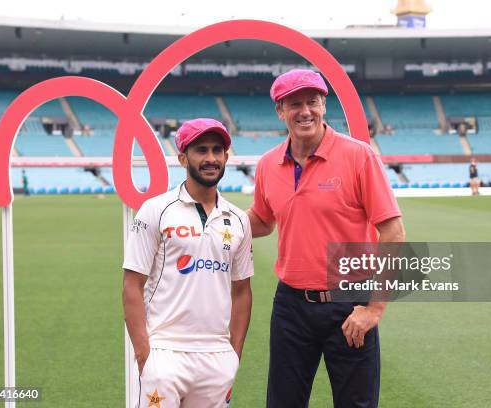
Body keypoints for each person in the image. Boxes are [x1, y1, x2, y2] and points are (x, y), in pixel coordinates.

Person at [247, 69, 405, 408]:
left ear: (323, 105)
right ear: (280, 110)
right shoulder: (267, 165)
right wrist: (215, 223)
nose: (304, 111)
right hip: (290, 305)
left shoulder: (359, 155)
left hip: (350, 303)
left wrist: (375, 308)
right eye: (294, 104)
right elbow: (261, 221)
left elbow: (392, 230)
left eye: (312, 102)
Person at [122, 118, 254, 408]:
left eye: (217, 150)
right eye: (201, 150)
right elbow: (132, 285)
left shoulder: (239, 219)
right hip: (165, 352)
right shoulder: (156, 210)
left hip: (217, 357)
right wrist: (145, 354)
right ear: (183, 157)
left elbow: (242, 291)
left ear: (226, 157)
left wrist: (233, 354)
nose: (211, 158)